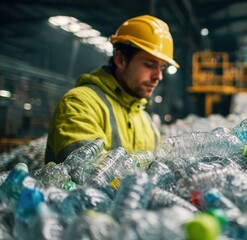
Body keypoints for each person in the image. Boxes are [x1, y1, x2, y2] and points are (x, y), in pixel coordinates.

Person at [45, 15, 179, 164]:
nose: (158, 76)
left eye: (162, 67)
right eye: (149, 65)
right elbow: (89, 175)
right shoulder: (79, 104)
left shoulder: (147, 123)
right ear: (120, 60)